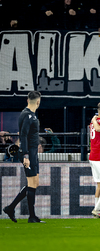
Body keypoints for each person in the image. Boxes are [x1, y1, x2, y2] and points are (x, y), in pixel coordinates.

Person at [3, 91, 45, 223]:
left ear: (28, 100)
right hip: (29, 153)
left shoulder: (29, 115)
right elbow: (23, 135)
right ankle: (31, 216)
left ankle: (11, 208)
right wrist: (25, 155)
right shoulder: (27, 115)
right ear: (38, 102)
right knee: (32, 183)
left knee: (34, 183)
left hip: (32, 152)